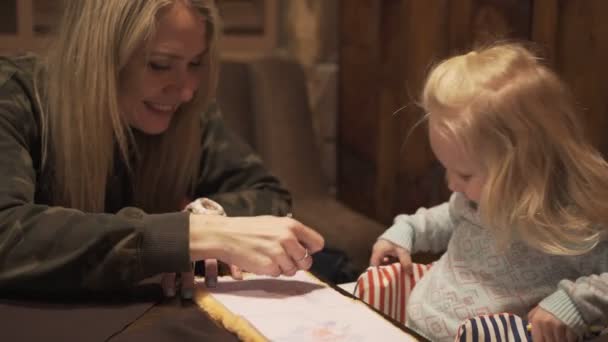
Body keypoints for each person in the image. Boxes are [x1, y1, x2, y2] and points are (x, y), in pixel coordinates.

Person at [0, 0, 323, 298]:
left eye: (196, 63)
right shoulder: (15, 95)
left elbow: (268, 194)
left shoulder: (188, 112)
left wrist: (208, 218)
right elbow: (8, 236)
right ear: (96, 55)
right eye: (159, 64)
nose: (185, 91)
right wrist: (189, 236)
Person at [369, 42, 608, 342]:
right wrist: (408, 230)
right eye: (447, 168)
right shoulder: (472, 201)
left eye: (465, 174)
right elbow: (448, 217)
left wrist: (574, 302)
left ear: (526, 165)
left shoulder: (572, 221)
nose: (451, 184)